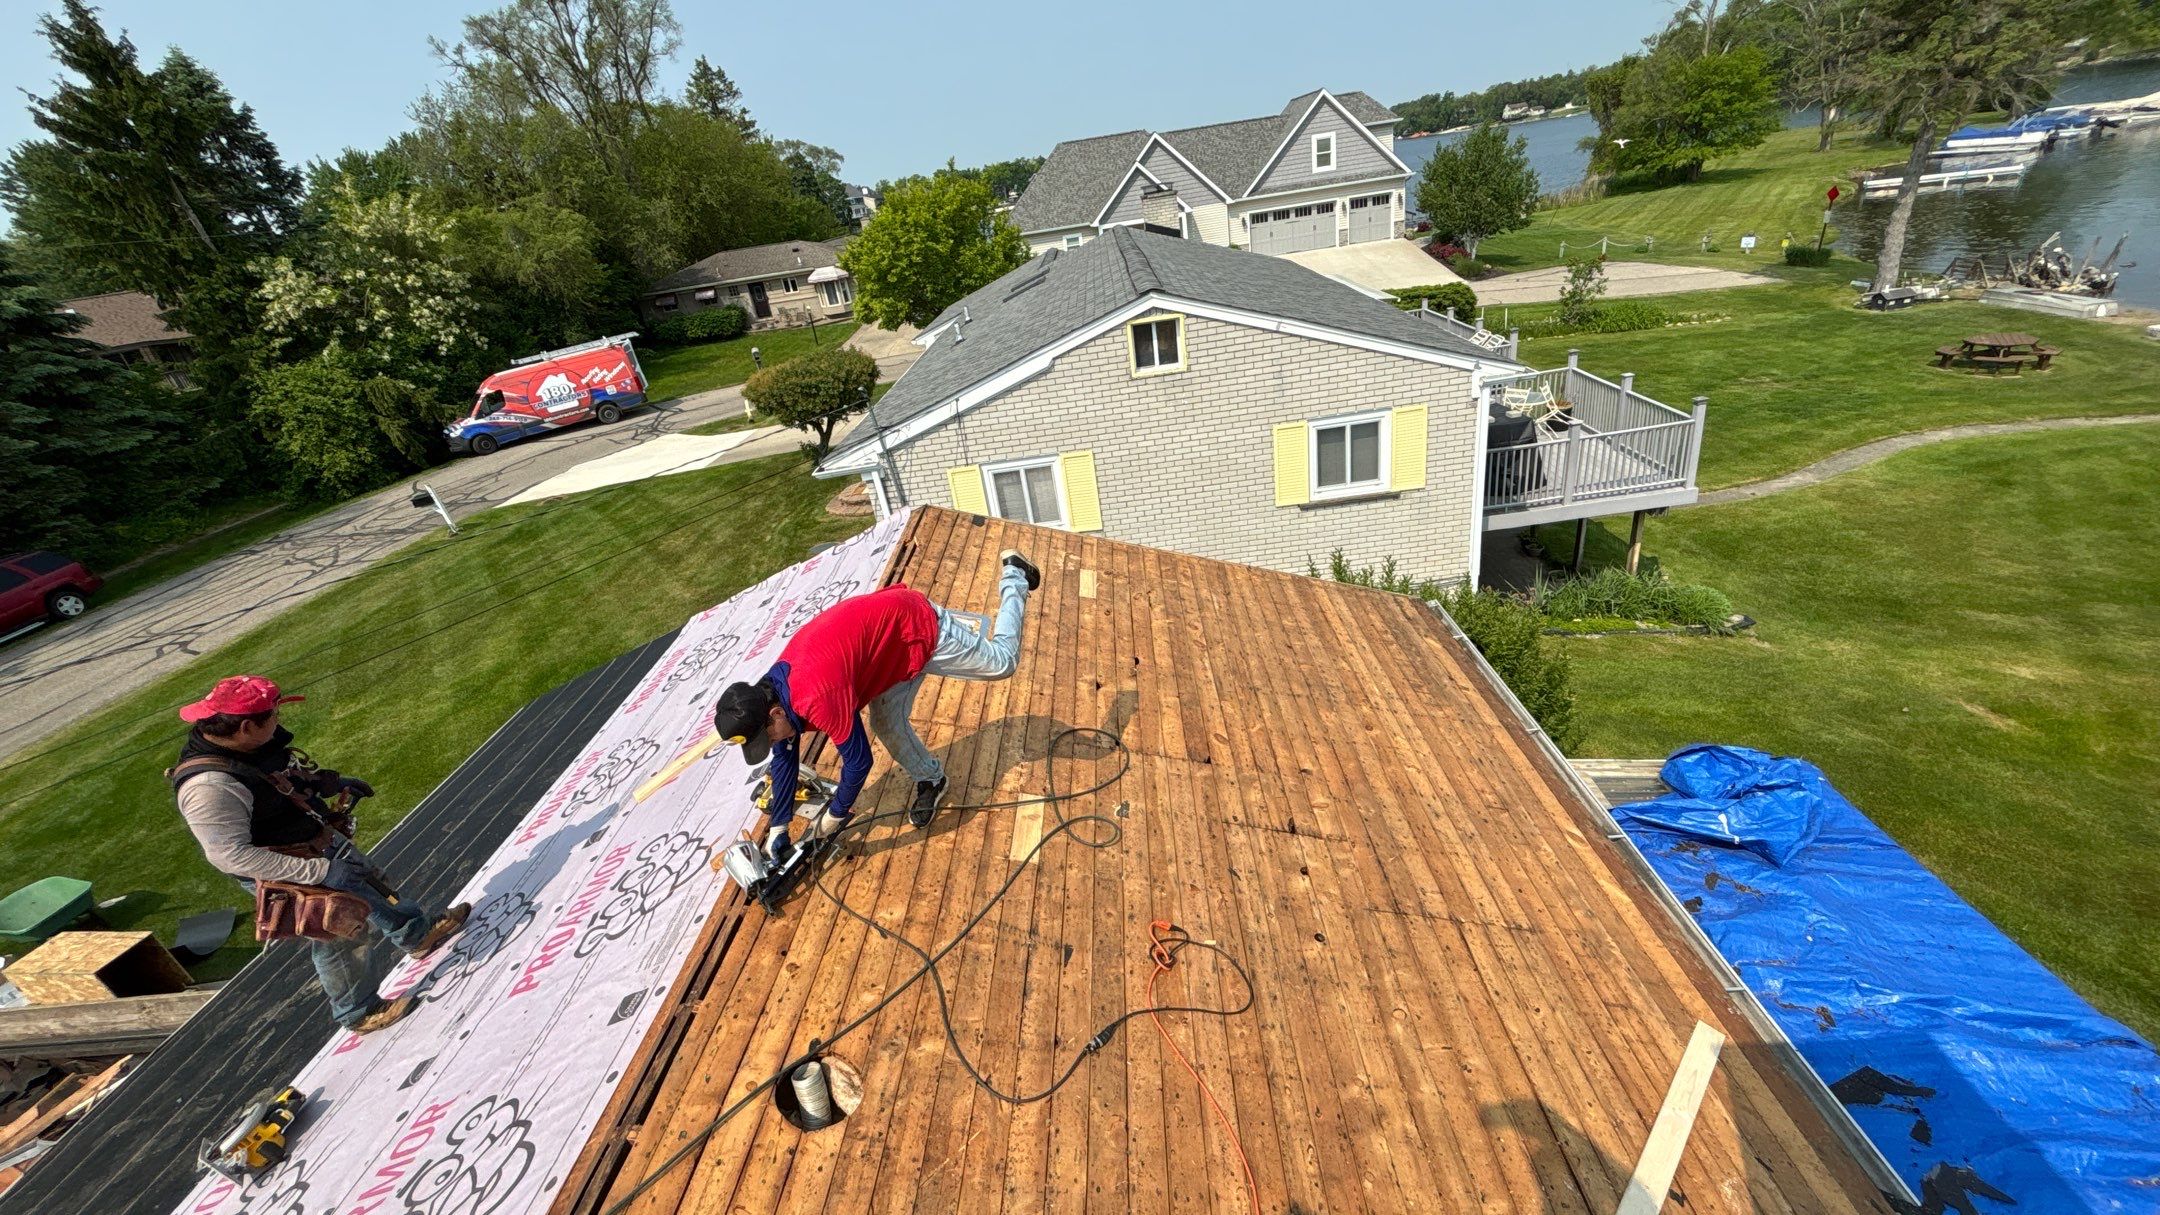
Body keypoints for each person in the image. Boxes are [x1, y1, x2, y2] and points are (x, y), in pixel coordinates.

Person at [169, 675, 469, 1034]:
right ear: (247, 726)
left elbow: (279, 775)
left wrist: (331, 783)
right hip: (285, 866)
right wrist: (321, 872)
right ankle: (358, 1011)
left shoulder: (246, 746)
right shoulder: (208, 788)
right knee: (340, 929)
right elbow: (229, 856)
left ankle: (416, 934)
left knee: (371, 882)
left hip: (314, 840)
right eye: (274, 716)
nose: (279, 721)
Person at [712, 549, 1042, 862]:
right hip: (887, 653)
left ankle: (1015, 574)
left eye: (767, 737)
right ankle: (933, 779)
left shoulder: (817, 696)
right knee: (886, 724)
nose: (771, 743)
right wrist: (780, 825)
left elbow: (858, 762)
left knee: (1002, 662)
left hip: (913, 626)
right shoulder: (773, 694)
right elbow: (785, 758)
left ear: (774, 713)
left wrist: (833, 816)